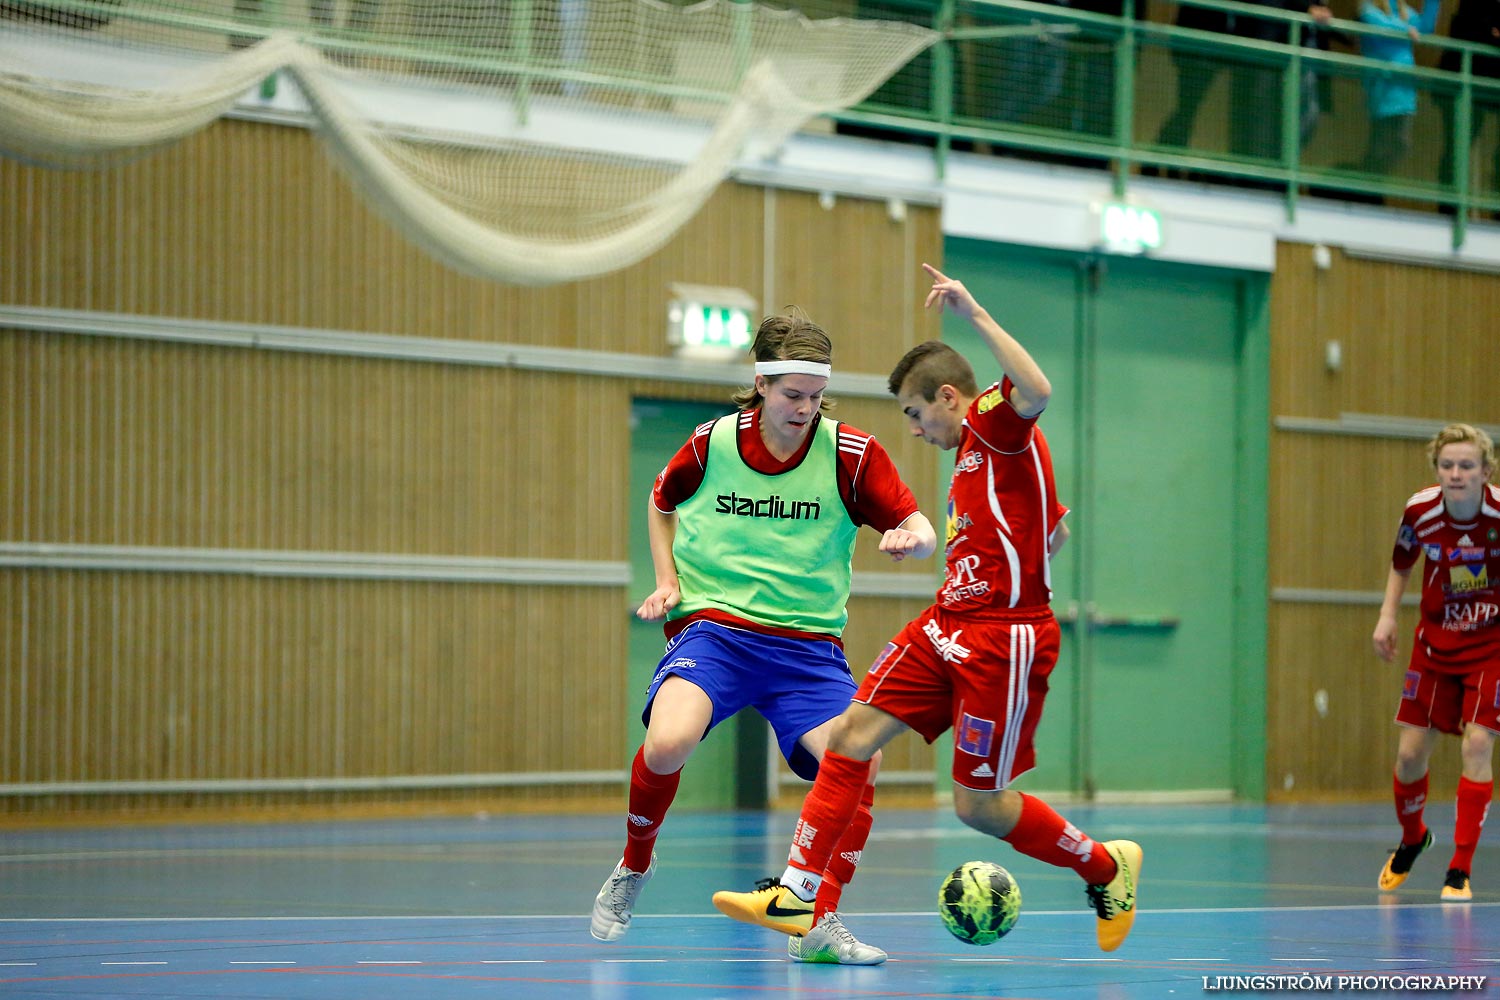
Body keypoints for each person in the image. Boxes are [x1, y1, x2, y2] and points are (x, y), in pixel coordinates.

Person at [711, 264, 1142, 964]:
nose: (913, 430)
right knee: (849, 738)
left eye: (915, 413)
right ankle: (800, 897)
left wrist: (974, 312)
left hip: (1005, 640)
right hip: (946, 626)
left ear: (948, 396)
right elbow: (1053, 529)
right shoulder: (977, 456)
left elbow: (1038, 390)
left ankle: (1104, 867)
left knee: (978, 807)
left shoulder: (994, 425)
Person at [589, 311, 938, 944]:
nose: (805, 408)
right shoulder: (713, 442)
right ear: (761, 383)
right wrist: (667, 582)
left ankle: (818, 916)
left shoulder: (852, 455)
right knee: (668, 742)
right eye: (791, 395)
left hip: (807, 647)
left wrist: (910, 538)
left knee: (861, 759)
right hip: (717, 632)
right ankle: (634, 865)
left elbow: (921, 529)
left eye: (815, 397)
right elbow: (661, 501)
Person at [1372, 423, 1499, 903]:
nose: (1456, 473)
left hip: (1491, 647)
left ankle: (1460, 870)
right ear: (1437, 470)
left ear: (1485, 471)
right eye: (1447, 465)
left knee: (1478, 744)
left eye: (1467, 465)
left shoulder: (1499, 515)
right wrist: (1387, 616)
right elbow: (1402, 562)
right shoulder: (1420, 510)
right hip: (1434, 645)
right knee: (1408, 756)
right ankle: (1412, 837)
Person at [1353, 0, 1442, 178]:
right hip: (1383, 86)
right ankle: (1365, 185)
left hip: (1404, 90)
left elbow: (1425, 27)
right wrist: (1406, 30)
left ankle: (1370, 184)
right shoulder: (1368, 8)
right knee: (1384, 142)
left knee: (1399, 144)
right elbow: (1379, 25)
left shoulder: (1403, 11)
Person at [1437, 0, 1500, 200]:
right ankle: (1451, 206)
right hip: (1463, 80)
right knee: (1458, 148)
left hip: (1488, 80)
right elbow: (1471, 29)